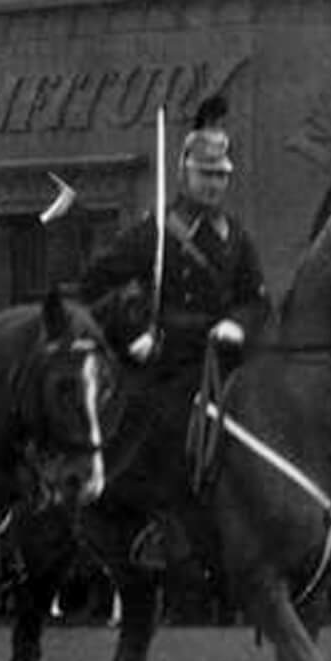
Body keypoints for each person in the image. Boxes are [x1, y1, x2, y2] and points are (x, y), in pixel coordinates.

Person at [79, 94, 268, 577]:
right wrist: (132, 332)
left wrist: (237, 324)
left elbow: (257, 299)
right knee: (157, 428)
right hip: (162, 359)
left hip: (222, 359)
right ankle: (156, 528)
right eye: (206, 174)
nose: (214, 184)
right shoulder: (154, 234)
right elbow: (95, 286)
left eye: (222, 175)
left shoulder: (237, 237)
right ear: (183, 173)